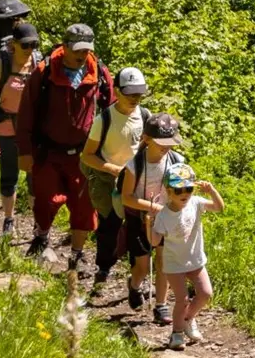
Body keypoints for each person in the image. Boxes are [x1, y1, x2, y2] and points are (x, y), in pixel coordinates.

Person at [15, 23, 113, 269]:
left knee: (84, 206)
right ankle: (41, 238)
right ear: (66, 46)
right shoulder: (46, 70)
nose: (82, 55)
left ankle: (77, 254)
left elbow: (111, 108)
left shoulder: (98, 71)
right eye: (78, 50)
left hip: (84, 154)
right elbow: (27, 111)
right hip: (49, 151)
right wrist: (25, 151)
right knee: (46, 200)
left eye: (87, 50)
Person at [80, 66, 148, 287]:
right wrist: (112, 169)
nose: (135, 99)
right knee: (109, 225)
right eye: (130, 94)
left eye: (139, 94)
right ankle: (103, 268)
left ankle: (136, 273)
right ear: (117, 91)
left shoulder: (146, 117)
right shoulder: (105, 119)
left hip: (137, 182)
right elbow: (87, 156)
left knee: (137, 229)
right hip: (110, 181)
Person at [118, 112, 186, 324]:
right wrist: (151, 206)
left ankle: (161, 305)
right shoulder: (134, 165)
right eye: (161, 143)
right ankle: (135, 285)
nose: (167, 147)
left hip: (165, 219)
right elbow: (126, 198)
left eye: (170, 142)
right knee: (142, 264)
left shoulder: (177, 161)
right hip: (139, 219)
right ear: (147, 139)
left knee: (163, 261)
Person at [148, 164, 223, 350]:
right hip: (174, 264)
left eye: (188, 188)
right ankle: (177, 333)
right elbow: (155, 241)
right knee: (182, 299)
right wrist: (148, 223)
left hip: (196, 260)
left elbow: (219, 207)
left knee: (206, 293)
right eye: (178, 189)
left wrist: (211, 190)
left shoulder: (196, 203)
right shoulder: (163, 215)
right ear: (169, 191)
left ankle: (188, 319)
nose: (185, 193)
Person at [0, 21, 41, 236]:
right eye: (25, 45)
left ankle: (38, 224)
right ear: (14, 44)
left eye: (34, 45)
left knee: (35, 177)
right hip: (5, 127)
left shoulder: (38, 64)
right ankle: (9, 220)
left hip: (32, 131)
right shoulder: (1, 66)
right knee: (9, 175)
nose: (30, 50)